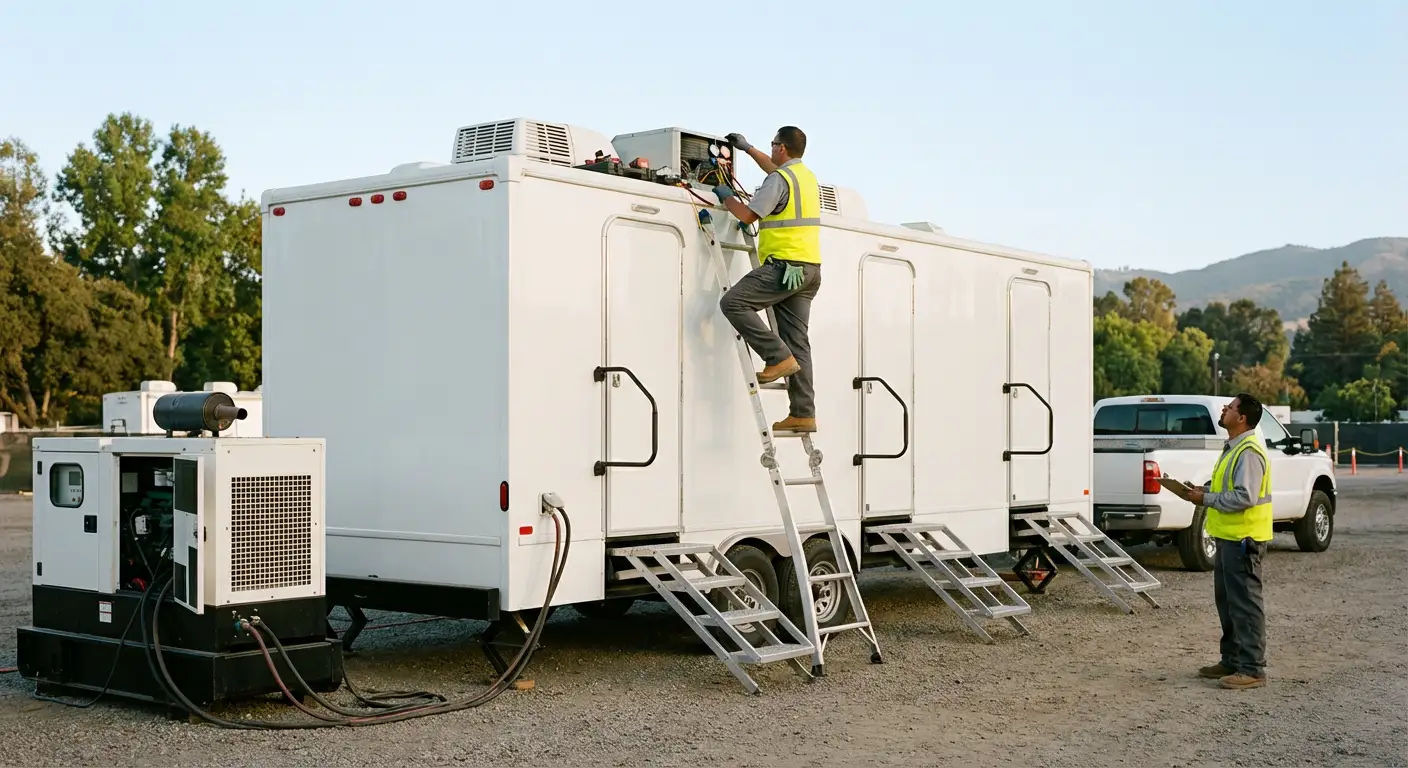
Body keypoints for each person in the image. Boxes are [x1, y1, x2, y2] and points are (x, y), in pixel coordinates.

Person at [712, 126, 822, 433]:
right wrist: (747, 149)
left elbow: (747, 216)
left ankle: (776, 357)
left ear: (782, 148)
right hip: (809, 271)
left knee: (732, 302)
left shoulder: (779, 180)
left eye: (773, 145)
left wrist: (727, 198)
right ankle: (803, 413)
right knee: (798, 342)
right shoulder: (806, 178)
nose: (771, 149)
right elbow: (773, 169)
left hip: (784, 268)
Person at [1178, 393, 1273, 690]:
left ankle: (1252, 668)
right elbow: (1227, 487)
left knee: (1245, 605)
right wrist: (1201, 490)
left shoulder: (1248, 451)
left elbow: (1245, 496)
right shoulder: (1233, 448)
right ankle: (1232, 660)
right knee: (1229, 603)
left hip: (1244, 539)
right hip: (1229, 538)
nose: (1224, 409)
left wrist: (1204, 498)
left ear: (1242, 417)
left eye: (1230, 407)